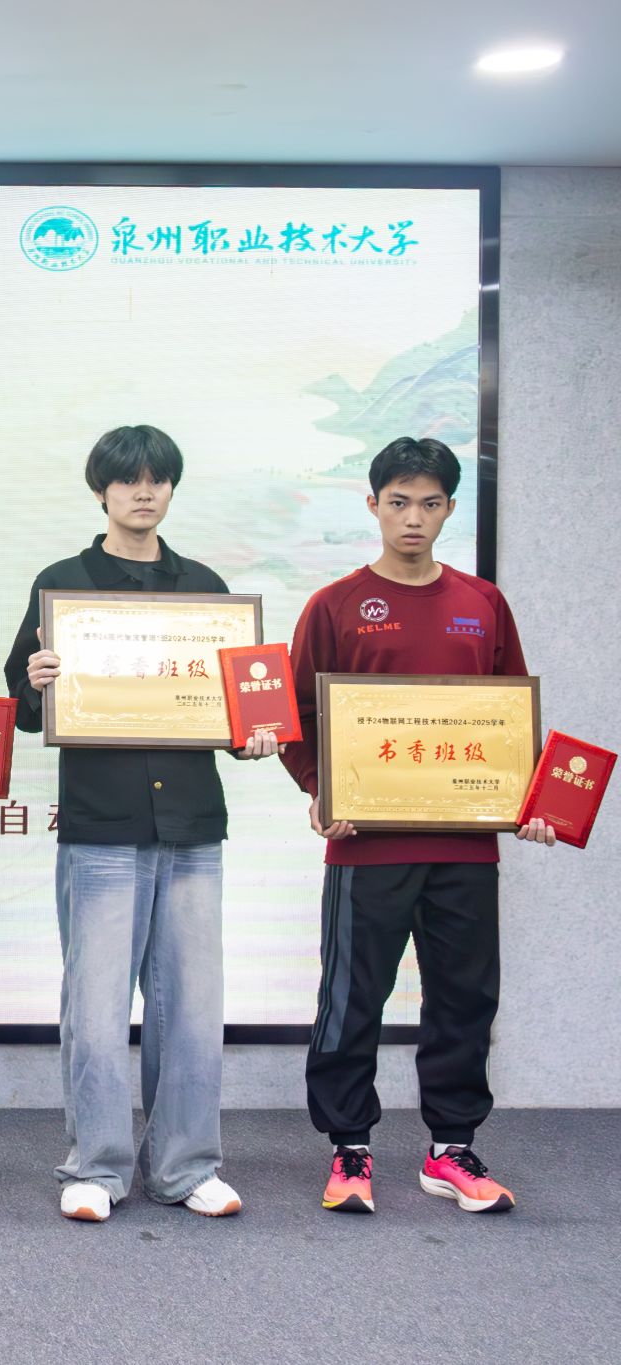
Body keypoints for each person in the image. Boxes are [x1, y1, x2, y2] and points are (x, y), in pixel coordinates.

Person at [2, 425, 276, 1224]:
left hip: (191, 825)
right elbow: (23, 708)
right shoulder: (62, 585)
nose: (144, 492)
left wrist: (258, 733)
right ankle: (95, 1166)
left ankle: (188, 1166)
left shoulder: (206, 588)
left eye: (158, 479)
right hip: (102, 827)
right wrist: (35, 678)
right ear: (102, 490)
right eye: (128, 480)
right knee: (95, 1010)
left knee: (190, 1007)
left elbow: (241, 714)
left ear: (171, 489)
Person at [283, 436, 555, 1216]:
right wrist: (318, 787)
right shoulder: (335, 604)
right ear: (373, 505)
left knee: (465, 997)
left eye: (430, 503)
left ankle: (450, 1148)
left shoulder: (483, 602)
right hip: (365, 844)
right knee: (351, 999)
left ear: (450, 510)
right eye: (398, 501)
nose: (413, 517)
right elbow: (297, 713)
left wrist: (533, 799)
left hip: (466, 844)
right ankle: (350, 1147)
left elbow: (510, 716)